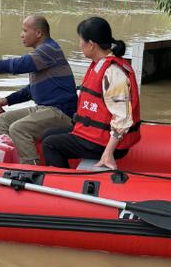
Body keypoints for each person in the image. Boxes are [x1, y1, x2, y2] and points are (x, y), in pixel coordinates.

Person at [0, 15, 77, 164]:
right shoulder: (41, 55)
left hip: (61, 112)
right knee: (4, 120)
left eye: (24, 30)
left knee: (18, 128)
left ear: (38, 33)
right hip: (44, 108)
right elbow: (31, 90)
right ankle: (10, 160)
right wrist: (8, 100)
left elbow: (18, 65)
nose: (21, 35)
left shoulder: (49, 50)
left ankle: (31, 169)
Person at [42, 17, 141, 169]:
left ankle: (62, 185)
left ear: (91, 44)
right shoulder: (100, 64)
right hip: (97, 132)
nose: (79, 44)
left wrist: (108, 153)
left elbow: (122, 118)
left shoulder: (113, 72)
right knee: (48, 134)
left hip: (107, 141)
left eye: (80, 40)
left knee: (50, 145)